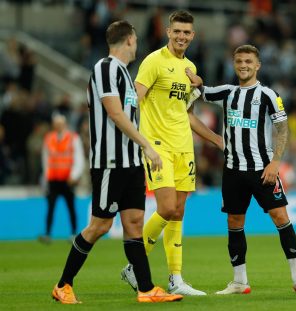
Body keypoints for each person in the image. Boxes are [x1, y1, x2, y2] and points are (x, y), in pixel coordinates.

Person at [51, 20, 183, 304]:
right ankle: (63, 285)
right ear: (130, 40)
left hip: (130, 162)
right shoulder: (105, 68)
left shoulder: (124, 73)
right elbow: (114, 113)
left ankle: (146, 289)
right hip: (110, 161)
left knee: (134, 223)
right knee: (100, 225)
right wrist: (147, 145)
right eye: (135, 39)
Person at [188, 44, 296, 294]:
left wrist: (276, 162)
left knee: (281, 217)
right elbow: (197, 93)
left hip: (262, 169)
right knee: (235, 221)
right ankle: (239, 282)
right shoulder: (226, 92)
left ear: (258, 65)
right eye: (239, 61)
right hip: (233, 171)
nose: (243, 65)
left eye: (248, 61)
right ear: (234, 64)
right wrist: (197, 82)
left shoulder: (268, 95)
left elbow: (282, 128)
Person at [120, 10, 221, 296]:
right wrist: (132, 135)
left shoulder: (190, 68)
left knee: (177, 212)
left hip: (183, 147)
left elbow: (187, 114)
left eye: (187, 32)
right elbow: (134, 99)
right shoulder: (153, 61)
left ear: (193, 36)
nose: (181, 36)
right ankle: (134, 267)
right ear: (168, 32)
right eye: (177, 31)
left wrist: (217, 139)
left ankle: (176, 278)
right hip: (157, 146)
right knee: (165, 208)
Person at [38, 113, 85, 244]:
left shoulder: (73, 138)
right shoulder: (49, 138)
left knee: (71, 207)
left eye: (60, 124)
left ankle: (74, 233)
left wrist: (74, 175)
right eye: (56, 124)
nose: (58, 126)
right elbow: (45, 159)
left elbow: (79, 158)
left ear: (64, 124)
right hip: (53, 179)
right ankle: (47, 234)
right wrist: (45, 177)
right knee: (51, 207)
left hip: (67, 179)